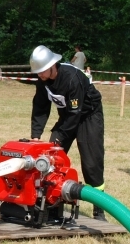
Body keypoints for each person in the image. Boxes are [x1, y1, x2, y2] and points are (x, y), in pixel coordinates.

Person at [29, 45, 106, 220]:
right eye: (37, 72)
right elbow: (40, 107)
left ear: (51, 66)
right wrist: (36, 135)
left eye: (42, 71)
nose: (40, 75)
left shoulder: (71, 78)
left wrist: (60, 137)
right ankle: (50, 205)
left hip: (88, 116)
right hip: (68, 116)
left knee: (91, 162)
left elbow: (75, 114)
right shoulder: (42, 81)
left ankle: (99, 209)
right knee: (50, 157)